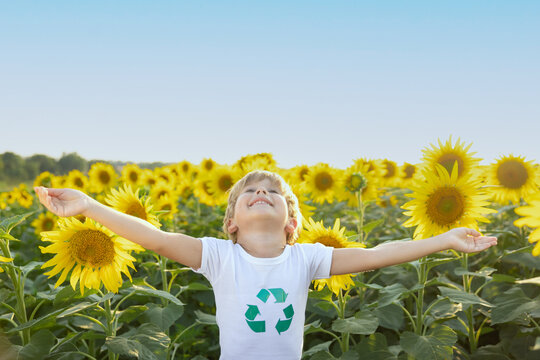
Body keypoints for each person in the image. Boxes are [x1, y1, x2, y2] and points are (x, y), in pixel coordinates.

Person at [34, 170, 497, 360]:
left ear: (291, 224)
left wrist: (443, 240)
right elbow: (154, 238)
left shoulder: (307, 258)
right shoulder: (217, 257)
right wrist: (89, 206)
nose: (262, 194)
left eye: (273, 193)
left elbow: (377, 254)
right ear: (231, 223)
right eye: (250, 193)